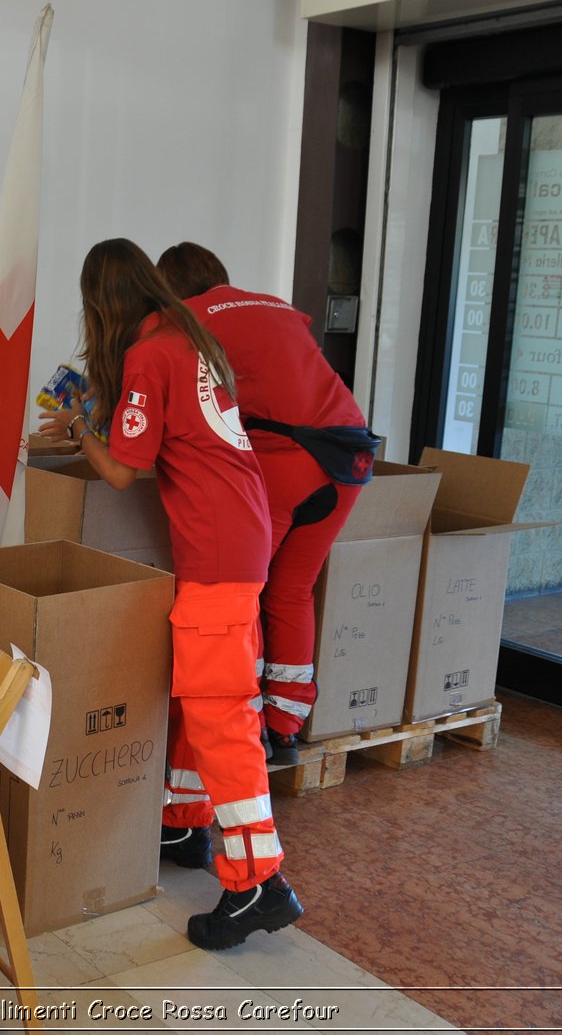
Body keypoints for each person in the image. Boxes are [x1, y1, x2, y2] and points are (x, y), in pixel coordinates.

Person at [38, 238, 301, 951]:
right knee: (203, 696)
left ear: (104, 305)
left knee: (220, 717)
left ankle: (258, 882)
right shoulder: (192, 337)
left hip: (216, 551)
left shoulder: (147, 356)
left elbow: (125, 470)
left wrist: (79, 431)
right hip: (242, 532)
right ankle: (184, 820)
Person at [156, 243, 373, 761]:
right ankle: (284, 727)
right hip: (351, 458)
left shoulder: (188, 319)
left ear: (168, 289)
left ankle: (240, 723)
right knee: (293, 589)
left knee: (242, 594)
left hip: (286, 459)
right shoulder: (275, 306)